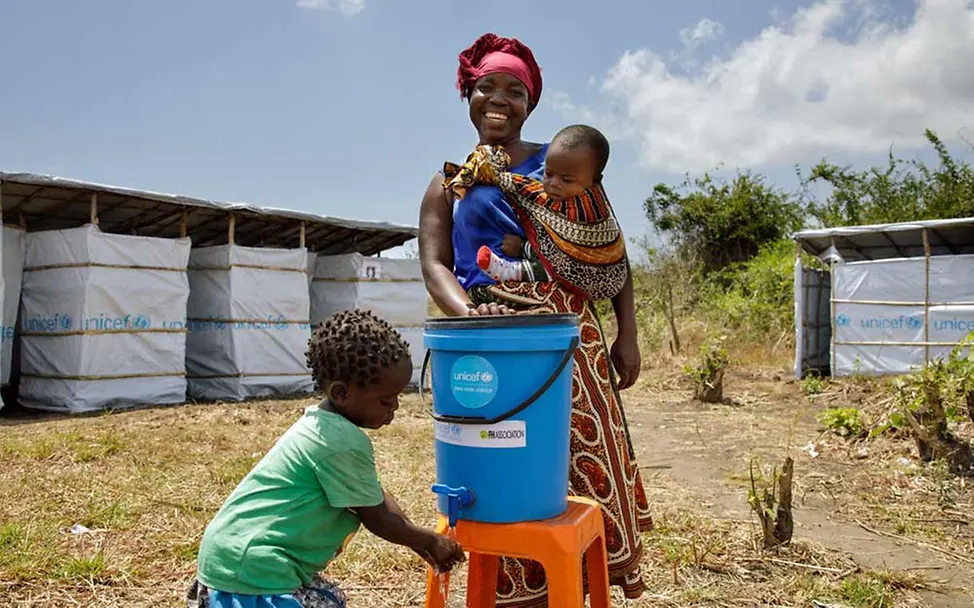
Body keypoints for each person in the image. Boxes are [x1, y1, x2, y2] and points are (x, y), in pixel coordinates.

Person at [418, 32, 653, 605]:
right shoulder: (449, 183)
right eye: (487, 87)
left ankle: (572, 582)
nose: (499, 99)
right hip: (491, 335)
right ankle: (518, 590)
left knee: (580, 456)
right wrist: (473, 316)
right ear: (469, 95)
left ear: (531, 103)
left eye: (514, 91)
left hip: (570, 333)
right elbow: (434, 262)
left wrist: (628, 333)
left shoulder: (566, 162)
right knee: (506, 460)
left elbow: (607, 252)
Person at [186, 309, 465, 608]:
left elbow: (375, 496)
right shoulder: (340, 441)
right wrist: (431, 541)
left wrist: (416, 540)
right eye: (385, 400)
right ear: (342, 393)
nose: (394, 407)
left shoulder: (325, 426)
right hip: (253, 573)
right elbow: (378, 519)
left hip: (235, 560)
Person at [441, 124, 628, 302]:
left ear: (594, 181)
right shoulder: (544, 192)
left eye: (566, 179)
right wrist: (488, 173)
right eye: (548, 174)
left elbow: (591, 252)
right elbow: (521, 186)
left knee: (558, 266)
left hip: (593, 275)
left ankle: (512, 271)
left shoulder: (591, 211)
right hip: (528, 289)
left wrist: (523, 248)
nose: (553, 183)